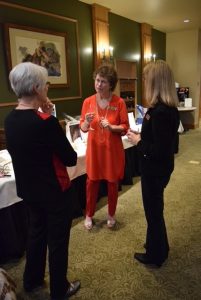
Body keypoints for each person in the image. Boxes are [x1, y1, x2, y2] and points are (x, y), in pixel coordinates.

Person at [4, 62, 81, 300]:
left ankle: (32, 280)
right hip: (54, 191)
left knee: (36, 234)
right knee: (57, 241)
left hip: (28, 191)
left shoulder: (9, 119)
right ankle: (60, 289)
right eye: (45, 84)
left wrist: (45, 113)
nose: (47, 88)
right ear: (38, 88)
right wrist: (50, 117)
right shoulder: (45, 123)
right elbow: (70, 158)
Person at [127, 60, 180, 267]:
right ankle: (158, 246)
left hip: (155, 169)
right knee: (154, 209)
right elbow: (159, 140)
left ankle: (156, 255)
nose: (145, 81)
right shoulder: (161, 108)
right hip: (157, 168)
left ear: (156, 81)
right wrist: (142, 135)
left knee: (153, 212)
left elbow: (158, 150)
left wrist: (138, 141)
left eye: (147, 77)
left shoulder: (161, 112)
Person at [80, 63, 129, 230]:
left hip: (111, 151)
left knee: (112, 183)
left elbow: (125, 127)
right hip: (94, 150)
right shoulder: (88, 101)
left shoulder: (119, 102)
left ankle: (111, 214)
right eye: (97, 80)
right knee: (91, 183)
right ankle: (89, 214)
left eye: (103, 82)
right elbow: (83, 128)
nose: (98, 84)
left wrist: (112, 127)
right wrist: (86, 122)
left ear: (111, 84)